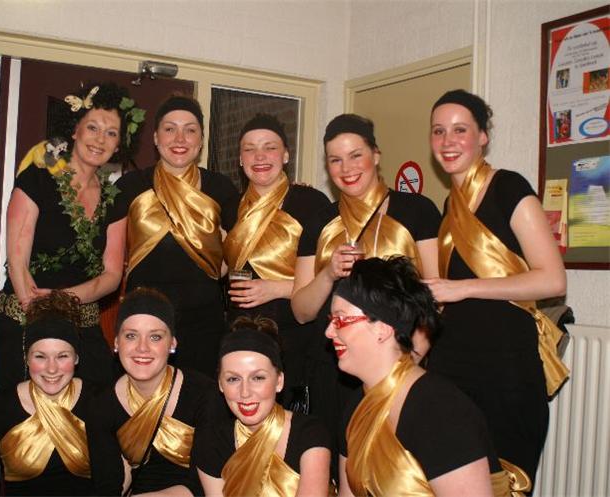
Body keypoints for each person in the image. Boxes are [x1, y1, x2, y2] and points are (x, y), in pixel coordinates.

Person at [425, 89, 568, 487]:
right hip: (452, 371)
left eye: (460, 130)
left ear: (483, 136)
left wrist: (462, 288)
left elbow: (552, 279)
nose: (448, 141)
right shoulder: (449, 206)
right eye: (438, 131)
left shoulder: (508, 187)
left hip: (506, 374)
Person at [290, 113, 441, 439]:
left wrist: (410, 360)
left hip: (398, 364)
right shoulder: (319, 221)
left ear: (376, 155)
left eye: (356, 155)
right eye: (335, 160)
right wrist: (328, 273)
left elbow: (436, 298)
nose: (347, 168)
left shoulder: (418, 211)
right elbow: (301, 312)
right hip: (333, 368)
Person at [330, 256, 529, 497]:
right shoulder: (357, 406)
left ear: (382, 328)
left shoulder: (439, 411)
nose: (329, 331)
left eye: (340, 320)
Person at [0, 82, 144, 389]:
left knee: (93, 405)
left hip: (83, 322)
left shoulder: (115, 200)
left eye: (111, 133)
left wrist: (62, 300)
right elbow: (17, 262)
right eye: (93, 127)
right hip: (26, 317)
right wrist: (41, 317)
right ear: (75, 130)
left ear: (119, 145)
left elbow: (112, 276)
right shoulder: (37, 179)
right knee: (27, 412)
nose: (100, 139)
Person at [108, 95, 239, 378]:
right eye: (170, 129)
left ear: (201, 140)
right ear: (156, 138)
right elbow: (110, 258)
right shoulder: (130, 186)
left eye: (190, 130)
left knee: (199, 396)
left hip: (203, 319)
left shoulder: (221, 187)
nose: (180, 138)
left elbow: (237, 252)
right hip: (143, 318)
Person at [0, 290, 123, 496]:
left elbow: (121, 476)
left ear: (77, 357)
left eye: (62, 356)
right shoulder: (1, 407)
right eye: (40, 357)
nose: (51, 369)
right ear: (26, 358)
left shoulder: (101, 401)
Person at [222, 114, 331, 408]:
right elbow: (219, 269)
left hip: (296, 335)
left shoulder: (312, 203)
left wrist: (277, 288)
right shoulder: (230, 209)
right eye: (249, 149)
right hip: (242, 334)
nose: (259, 156)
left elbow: (330, 277)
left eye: (270, 147)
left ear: (285, 155)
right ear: (240, 159)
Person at [88, 287, 227, 496]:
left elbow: (206, 483)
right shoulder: (101, 405)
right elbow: (108, 485)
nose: (142, 348)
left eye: (155, 337)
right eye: (131, 336)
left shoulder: (204, 395)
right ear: (116, 343)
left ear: (172, 344)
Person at [194, 316, 332, 497]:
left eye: (258, 378)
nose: (245, 392)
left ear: (279, 381)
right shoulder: (211, 443)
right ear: (220, 384)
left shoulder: (310, 434)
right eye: (233, 379)